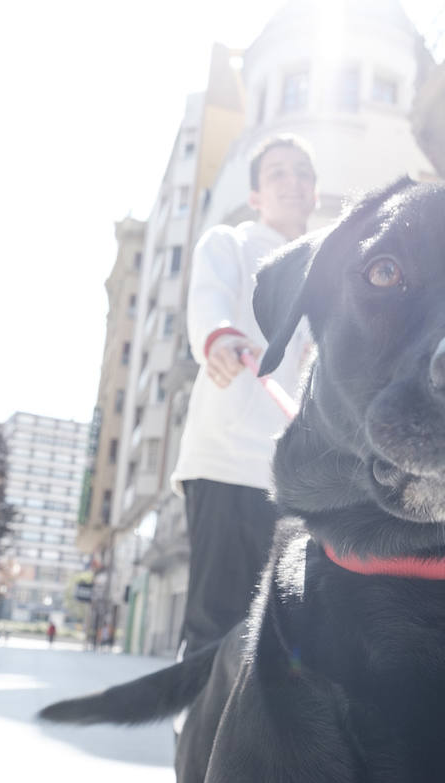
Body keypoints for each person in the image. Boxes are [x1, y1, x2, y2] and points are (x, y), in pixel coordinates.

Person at [168, 134, 318, 656]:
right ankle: (197, 734)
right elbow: (208, 303)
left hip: (294, 479)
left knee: (285, 631)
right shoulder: (228, 243)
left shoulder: (322, 274)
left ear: (315, 191)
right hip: (225, 465)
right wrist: (221, 337)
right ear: (255, 195)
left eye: (302, 172)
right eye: (278, 173)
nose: (292, 182)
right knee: (219, 624)